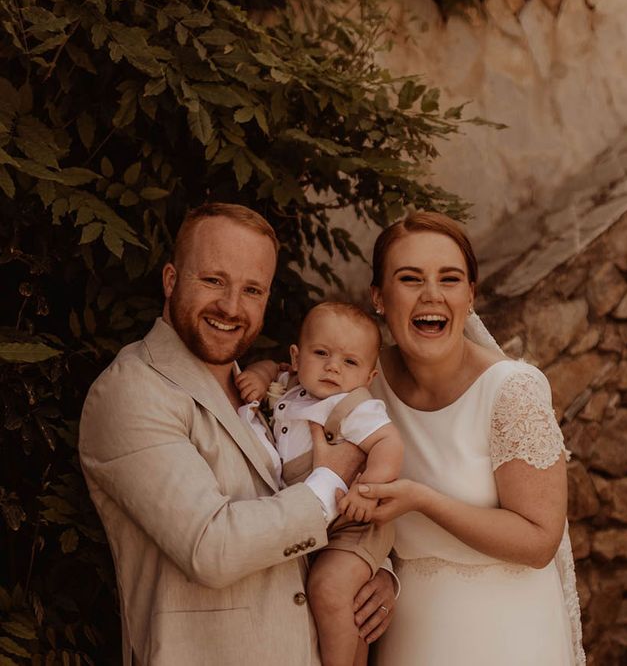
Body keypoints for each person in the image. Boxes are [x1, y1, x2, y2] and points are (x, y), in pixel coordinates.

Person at [78, 203, 396, 666]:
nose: (231, 306)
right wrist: (331, 482)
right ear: (171, 279)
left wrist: (373, 571)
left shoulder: (272, 391)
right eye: (213, 280)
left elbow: (290, 507)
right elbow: (212, 548)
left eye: (252, 290)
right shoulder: (132, 391)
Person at [346, 211, 585, 665]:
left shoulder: (512, 390)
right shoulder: (362, 385)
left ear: (470, 294)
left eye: (450, 279)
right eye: (410, 278)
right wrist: (380, 568)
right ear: (379, 296)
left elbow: (539, 541)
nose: (431, 295)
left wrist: (422, 499)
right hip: (407, 636)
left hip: (508, 635)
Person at [235, 301, 403, 666]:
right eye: (322, 353)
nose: (332, 367)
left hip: (352, 524)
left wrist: (366, 488)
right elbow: (273, 368)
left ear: (369, 377)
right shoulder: (289, 386)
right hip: (311, 524)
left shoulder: (356, 406)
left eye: (350, 362)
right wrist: (260, 376)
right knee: (342, 605)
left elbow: (389, 444)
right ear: (297, 357)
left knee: (329, 590)